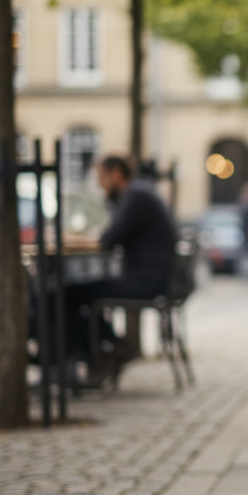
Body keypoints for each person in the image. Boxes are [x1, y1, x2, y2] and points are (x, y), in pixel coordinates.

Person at [65, 155, 176, 378]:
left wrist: (78, 240)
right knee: (69, 293)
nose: (99, 185)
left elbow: (109, 239)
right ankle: (109, 348)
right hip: (149, 278)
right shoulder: (140, 192)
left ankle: (102, 354)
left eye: (101, 178)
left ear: (115, 173)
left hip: (144, 282)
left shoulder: (135, 196)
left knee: (66, 294)